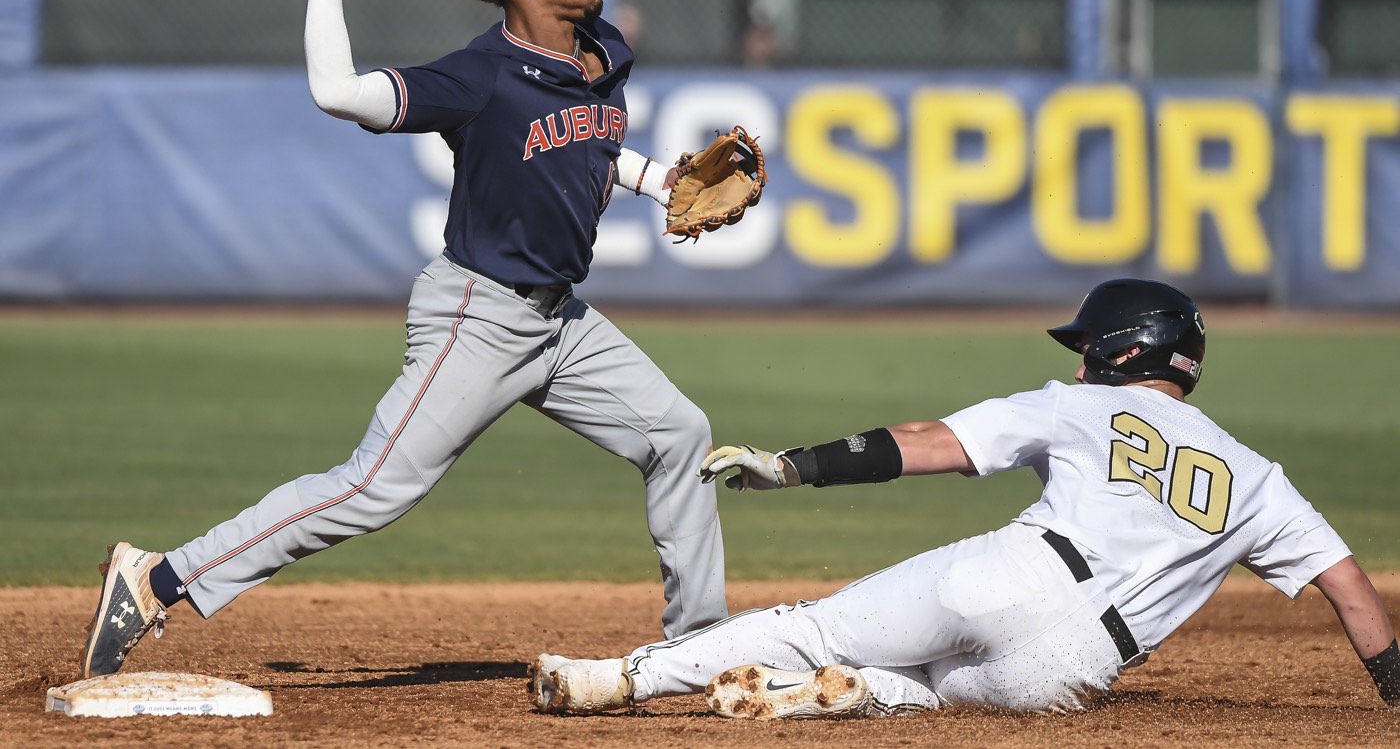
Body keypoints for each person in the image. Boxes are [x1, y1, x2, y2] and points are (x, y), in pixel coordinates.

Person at [80, 0, 730, 678]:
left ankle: (701, 645)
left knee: (678, 434)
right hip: (480, 315)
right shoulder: (479, 77)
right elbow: (336, 92)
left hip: (561, 321)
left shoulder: (602, 49)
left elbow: (589, 144)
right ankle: (155, 579)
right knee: (372, 487)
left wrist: (661, 180)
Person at [529, 279, 1400, 719]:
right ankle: (843, 693)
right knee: (932, 690)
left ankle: (616, 678)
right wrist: (1393, 688)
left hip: (1018, 573)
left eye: (1091, 346)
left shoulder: (1078, 403)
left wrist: (798, 466)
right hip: (1075, 668)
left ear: (1127, 354)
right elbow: (1352, 590)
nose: (1078, 360)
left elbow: (932, 445)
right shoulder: (1258, 477)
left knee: (811, 622)